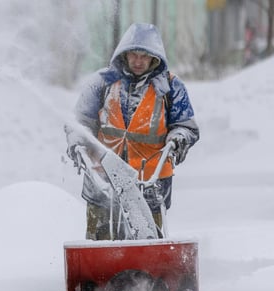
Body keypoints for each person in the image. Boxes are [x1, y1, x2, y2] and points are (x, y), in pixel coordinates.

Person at [65, 23, 199, 240]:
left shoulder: (170, 87)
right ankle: (99, 272)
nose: (138, 61)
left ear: (155, 58)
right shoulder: (103, 81)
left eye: (144, 56)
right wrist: (77, 140)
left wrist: (179, 138)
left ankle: (149, 273)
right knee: (101, 238)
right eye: (133, 55)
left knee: (148, 240)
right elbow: (81, 121)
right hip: (103, 178)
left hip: (150, 182)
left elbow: (185, 125)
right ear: (124, 55)